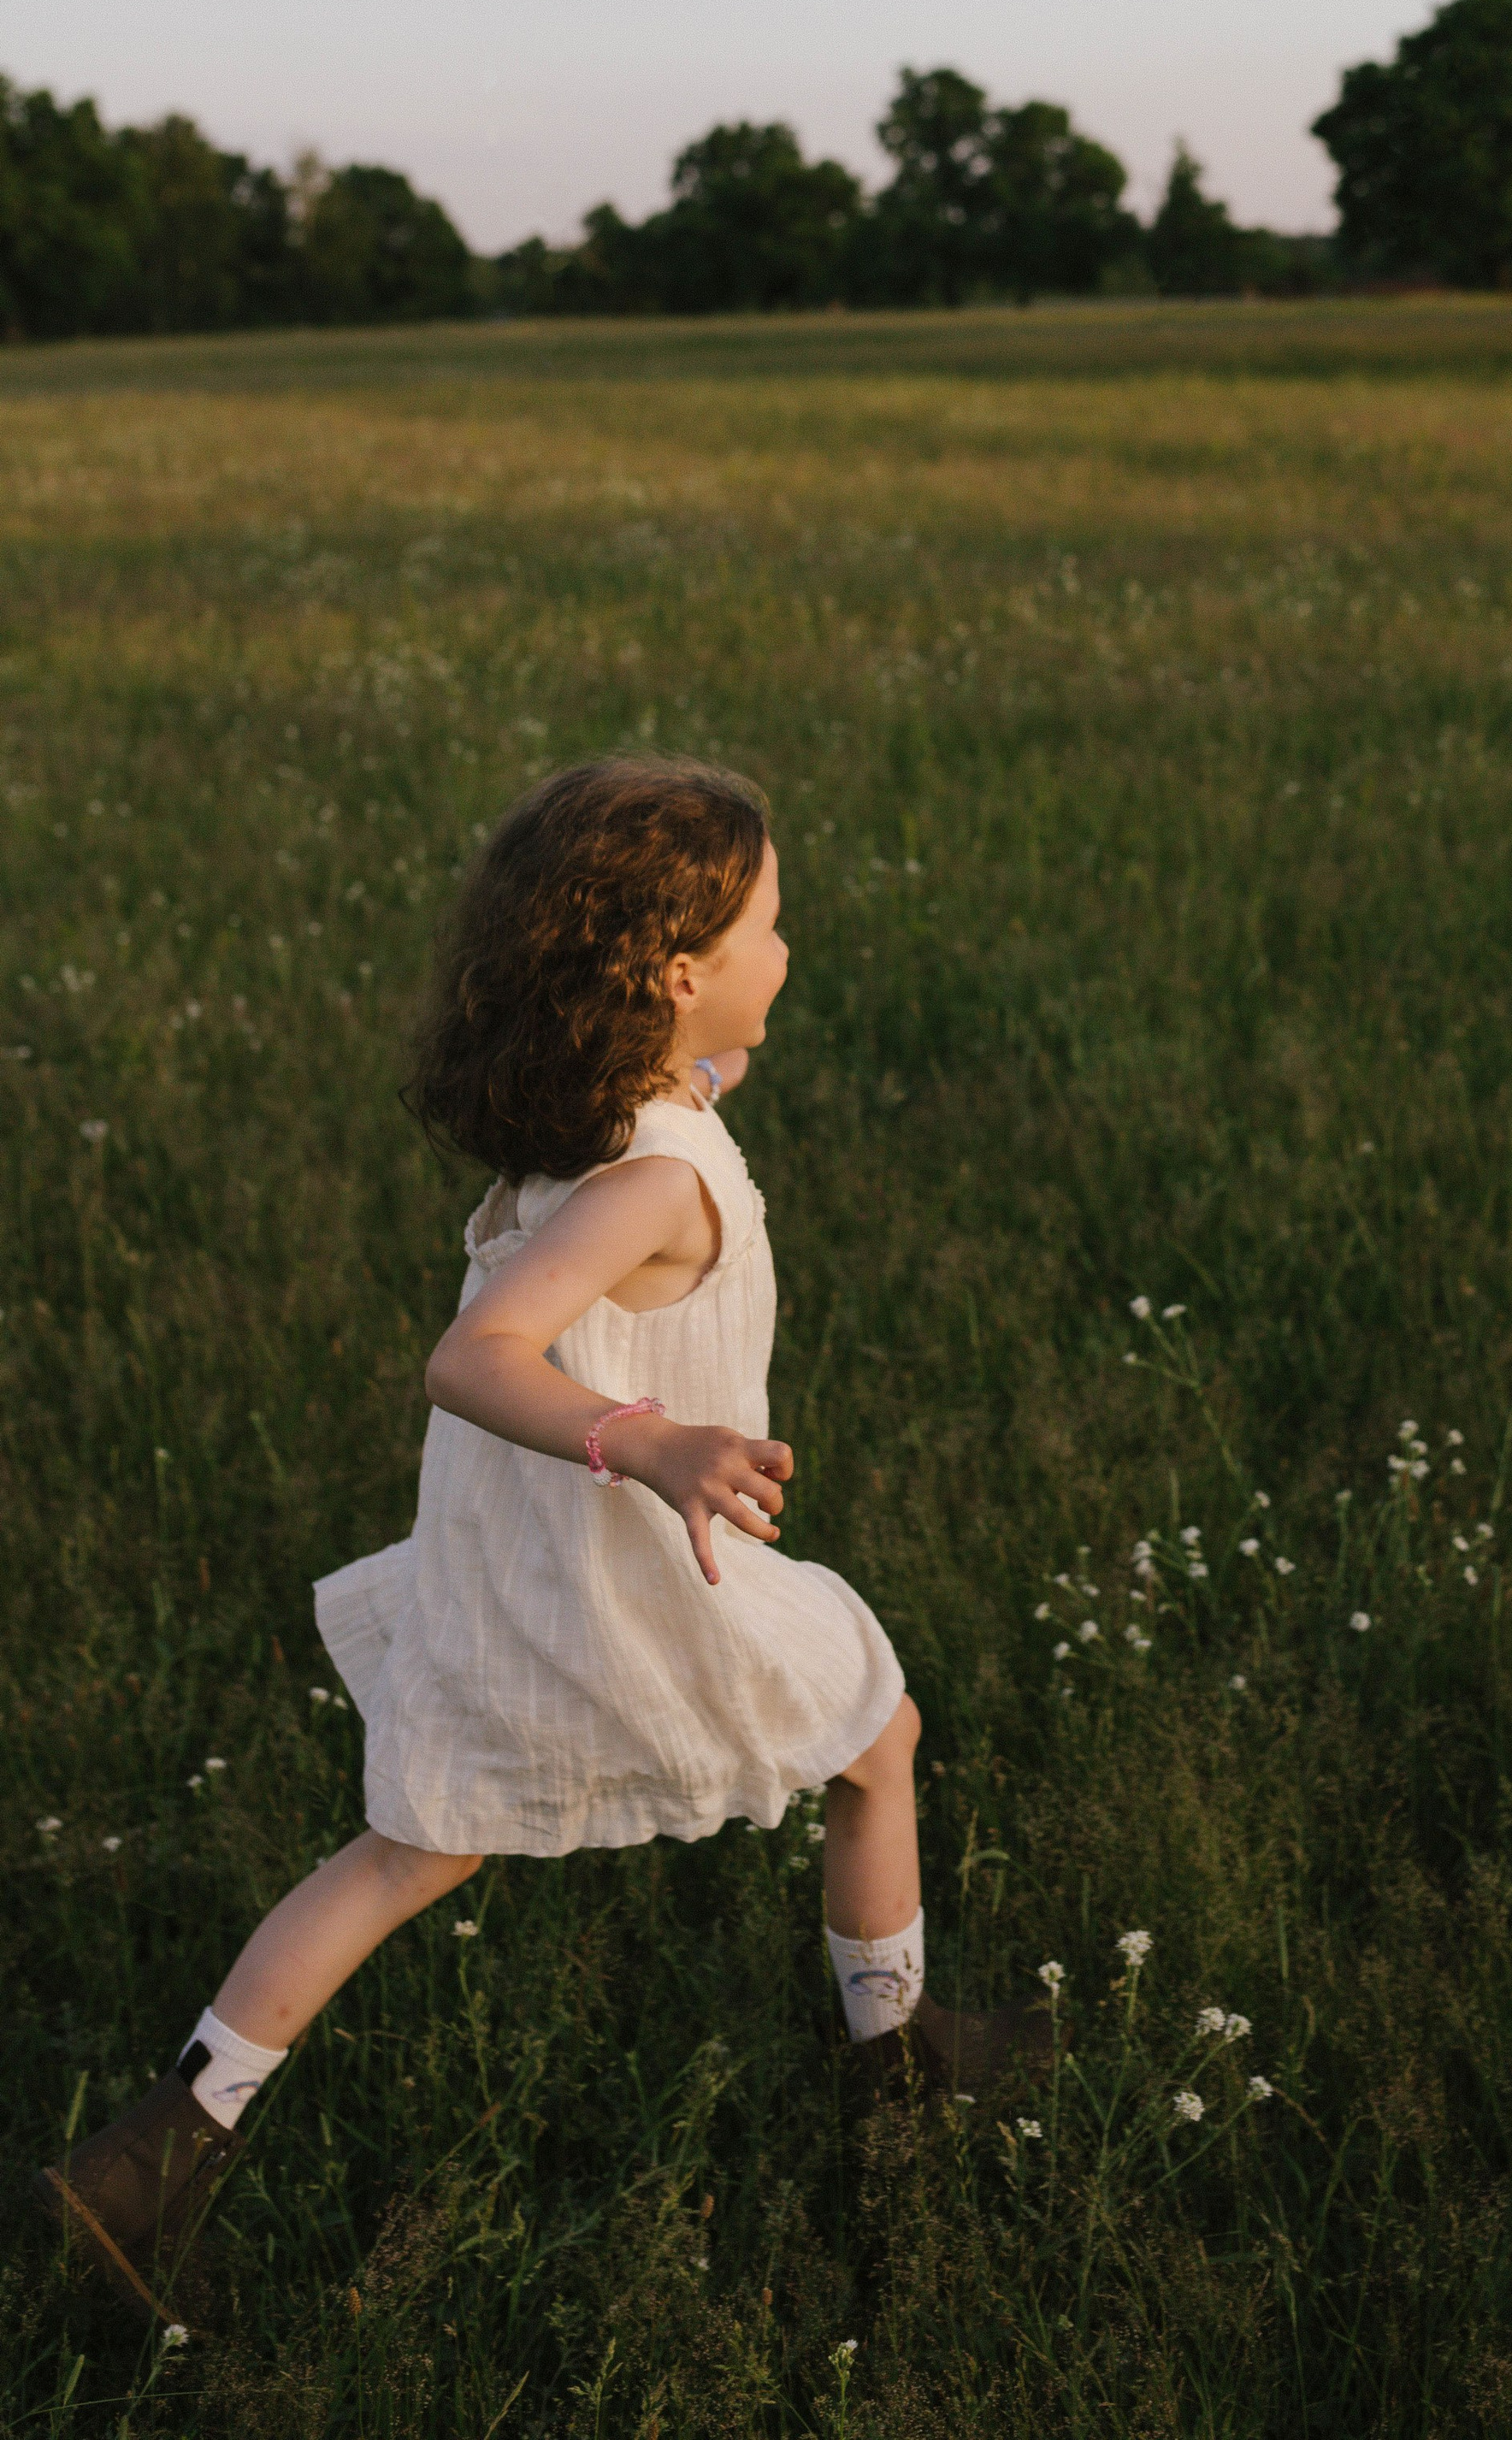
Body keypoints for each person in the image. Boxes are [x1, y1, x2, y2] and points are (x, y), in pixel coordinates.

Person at [42, 754, 1048, 2319]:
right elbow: (473, 1355)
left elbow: (679, 1116)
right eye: (772, 928)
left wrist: (699, 1076)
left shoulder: (630, 1110)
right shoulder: (650, 1179)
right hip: (629, 1577)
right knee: (882, 1733)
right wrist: (651, 1441)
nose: (793, 952)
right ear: (672, 972)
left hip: (522, 1564)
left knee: (408, 1847)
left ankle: (156, 2153)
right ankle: (898, 2066)